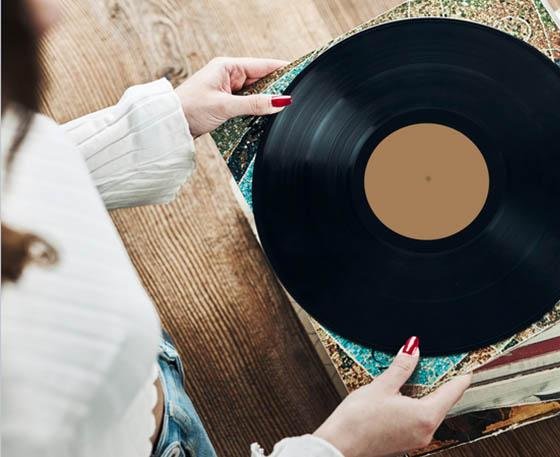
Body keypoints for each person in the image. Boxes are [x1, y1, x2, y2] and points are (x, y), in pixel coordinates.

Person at [0, 1, 472, 456]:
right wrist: (335, 447)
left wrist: (164, 121)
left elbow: (20, 173)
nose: (52, 12)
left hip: (134, 384)